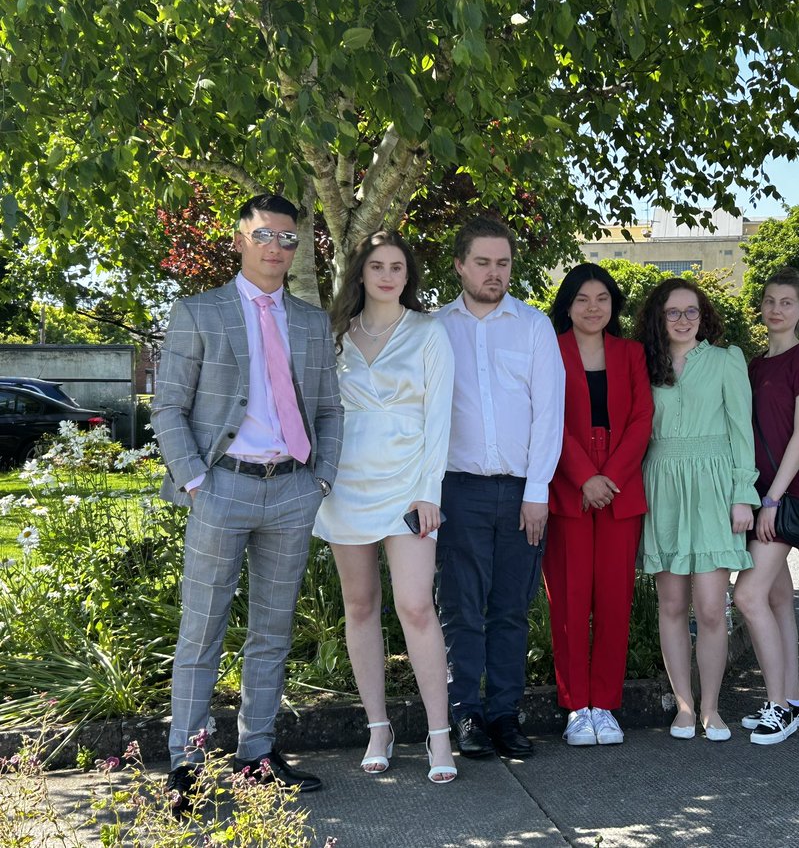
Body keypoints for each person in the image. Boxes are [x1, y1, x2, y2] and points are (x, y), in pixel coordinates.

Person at [152, 195, 344, 814]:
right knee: (201, 628)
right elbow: (168, 409)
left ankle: (255, 754)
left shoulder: (312, 322)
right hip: (221, 487)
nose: (276, 248)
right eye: (264, 235)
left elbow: (329, 411)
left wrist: (319, 480)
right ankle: (187, 763)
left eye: (288, 240)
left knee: (272, 632)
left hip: (292, 488)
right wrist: (194, 482)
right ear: (240, 241)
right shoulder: (199, 312)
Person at [313, 230, 457, 782]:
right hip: (346, 485)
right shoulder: (334, 336)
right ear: (361, 273)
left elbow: (439, 419)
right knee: (360, 606)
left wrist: (430, 490)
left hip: (408, 487)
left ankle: (438, 735)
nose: (388, 275)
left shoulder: (429, 332)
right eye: (378, 265)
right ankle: (379, 726)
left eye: (398, 266)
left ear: (408, 275)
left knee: (417, 606)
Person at [433, 216, 566, 759]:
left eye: (503, 263)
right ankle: (465, 714)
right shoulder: (433, 328)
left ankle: (506, 715)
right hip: (455, 489)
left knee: (511, 608)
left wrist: (538, 491)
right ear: (461, 265)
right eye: (483, 262)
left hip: (520, 494)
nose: (495, 273)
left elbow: (549, 414)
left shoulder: (533, 327)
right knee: (460, 608)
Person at [636, 278, 759, 742]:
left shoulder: (727, 360)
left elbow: (741, 429)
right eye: (672, 312)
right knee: (671, 604)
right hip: (663, 483)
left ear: (703, 315)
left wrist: (742, 494)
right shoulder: (645, 364)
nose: (683, 320)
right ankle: (683, 706)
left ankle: (711, 707)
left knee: (711, 608)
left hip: (713, 485)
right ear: (658, 318)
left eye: (691, 311)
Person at [545, 263, 652, 747]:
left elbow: (641, 419)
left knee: (613, 600)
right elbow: (545, 419)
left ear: (614, 306)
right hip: (569, 486)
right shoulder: (550, 349)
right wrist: (585, 476)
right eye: (583, 299)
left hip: (620, 486)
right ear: (568, 304)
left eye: (603, 299)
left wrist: (610, 477)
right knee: (568, 602)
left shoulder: (631, 353)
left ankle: (605, 705)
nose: (593, 308)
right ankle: (574, 707)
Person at [732, 268, 799, 746]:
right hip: (757, 494)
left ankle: (777, 708)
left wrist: (771, 500)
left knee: (746, 597)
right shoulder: (753, 365)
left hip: (782, 498)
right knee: (777, 598)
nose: (776, 309)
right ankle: (792, 698)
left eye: (787, 302)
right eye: (770, 300)